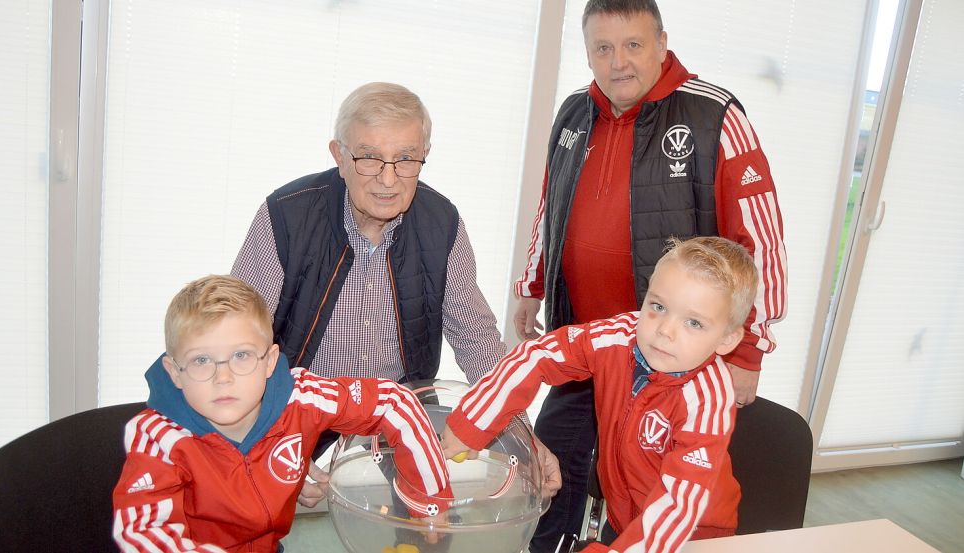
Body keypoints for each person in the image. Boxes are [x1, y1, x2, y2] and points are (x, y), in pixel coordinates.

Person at [512, 1, 786, 548]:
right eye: (602, 48)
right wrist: (531, 287)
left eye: (633, 45)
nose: (618, 63)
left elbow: (762, 238)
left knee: (653, 504)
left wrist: (748, 350)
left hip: (667, 362)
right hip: (586, 348)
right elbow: (551, 208)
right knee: (546, 487)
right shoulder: (572, 113)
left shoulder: (715, 115)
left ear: (662, 44)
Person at [231, 82, 560, 508]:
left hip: (398, 414)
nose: (388, 179)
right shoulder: (285, 216)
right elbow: (237, 344)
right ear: (339, 156)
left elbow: (478, 343)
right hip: (296, 410)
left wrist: (524, 438)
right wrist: (263, 439)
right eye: (369, 158)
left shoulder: (442, 224)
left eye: (405, 159)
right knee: (257, 521)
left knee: (430, 530)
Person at [445, 236, 759, 553]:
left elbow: (678, 507)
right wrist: (473, 423)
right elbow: (537, 357)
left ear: (727, 340)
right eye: (658, 306)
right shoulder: (618, 336)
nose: (665, 330)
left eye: (693, 322)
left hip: (692, 535)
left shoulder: (708, 400)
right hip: (623, 518)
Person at [112, 275, 453, 552]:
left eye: (242, 356)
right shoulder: (158, 437)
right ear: (174, 372)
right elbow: (144, 534)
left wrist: (429, 502)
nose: (224, 377)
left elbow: (394, 402)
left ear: (270, 361)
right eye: (201, 360)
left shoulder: (300, 397)